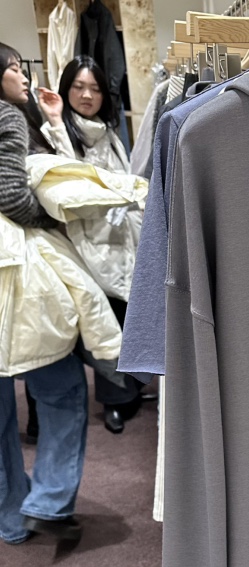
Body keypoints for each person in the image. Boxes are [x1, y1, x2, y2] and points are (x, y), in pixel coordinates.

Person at [0, 43, 86, 543]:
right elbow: (13, 193)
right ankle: (49, 500)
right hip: (16, 279)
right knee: (61, 388)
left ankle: (11, 519)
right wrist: (51, 220)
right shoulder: (7, 117)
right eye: (14, 68)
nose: (24, 77)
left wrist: (51, 119)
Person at [38, 56, 147, 435]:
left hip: (124, 235)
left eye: (95, 88)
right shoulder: (57, 133)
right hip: (88, 241)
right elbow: (68, 187)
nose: (87, 95)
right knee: (105, 323)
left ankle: (133, 388)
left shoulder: (108, 131)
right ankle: (115, 400)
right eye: (79, 87)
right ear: (66, 89)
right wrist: (56, 121)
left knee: (129, 318)